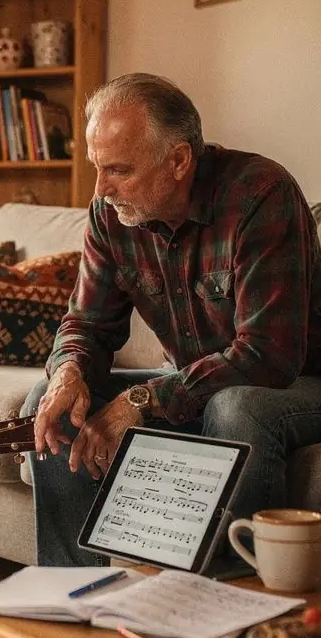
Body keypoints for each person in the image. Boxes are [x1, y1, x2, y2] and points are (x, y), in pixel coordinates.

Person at [25, 73, 321, 569]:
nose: (100, 189)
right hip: (194, 382)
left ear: (179, 160)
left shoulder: (260, 195)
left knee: (236, 407)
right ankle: (67, 593)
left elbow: (267, 356)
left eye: (118, 170)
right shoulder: (109, 214)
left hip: (299, 382)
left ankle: (226, 594)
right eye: (97, 167)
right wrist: (68, 371)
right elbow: (88, 325)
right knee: (50, 401)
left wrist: (141, 400)